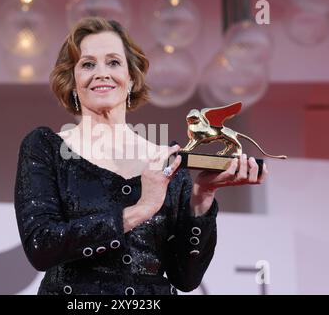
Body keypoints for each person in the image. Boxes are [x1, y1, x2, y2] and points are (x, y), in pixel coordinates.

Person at [14, 17, 268, 295]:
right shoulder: (46, 147)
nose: (102, 73)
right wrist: (139, 211)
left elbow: (186, 277)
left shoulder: (168, 158)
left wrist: (202, 198)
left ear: (132, 78)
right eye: (88, 64)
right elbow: (41, 246)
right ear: (73, 81)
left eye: (113, 62)